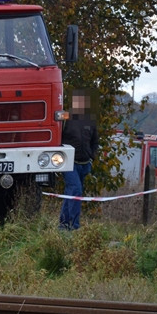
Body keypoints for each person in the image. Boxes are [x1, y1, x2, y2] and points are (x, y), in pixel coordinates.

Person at [59, 89, 99, 230]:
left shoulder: (90, 120)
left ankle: (63, 225)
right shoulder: (65, 117)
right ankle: (74, 226)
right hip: (69, 163)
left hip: (84, 163)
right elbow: (56, 132)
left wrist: (92, 155)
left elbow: (95, 141)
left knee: (72, 193)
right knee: (76, 190)